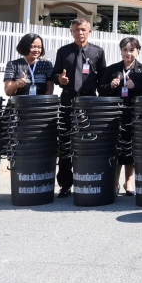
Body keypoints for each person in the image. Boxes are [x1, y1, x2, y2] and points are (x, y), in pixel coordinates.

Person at [51, 18, 107, 197]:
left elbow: (103, 79)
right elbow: (54, 73)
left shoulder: (97, 52)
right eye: (76, 29)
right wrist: (59, 79)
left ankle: (88, 179)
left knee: (88, 141)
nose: (80, 33)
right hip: (68, 99)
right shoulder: (63, 51)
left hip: (89, 100)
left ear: (89, 31)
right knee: (65, 141)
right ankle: (65, 184)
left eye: (83, 29)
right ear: (71, 32)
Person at [98, 37, 142, 195]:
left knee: (132, 148)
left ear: (138, 51)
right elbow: (101, 90)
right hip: (115, 114)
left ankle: (129, 182)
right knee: (116, 148)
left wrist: (135, 86)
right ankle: (115, 182)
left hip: (135, 114)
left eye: (132, 50)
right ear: (120, 51)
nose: (128, 53)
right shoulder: (112, 69)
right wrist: (110, 86)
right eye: (125, 50)